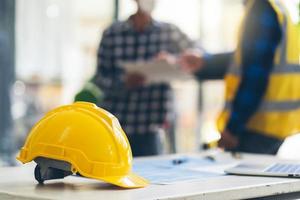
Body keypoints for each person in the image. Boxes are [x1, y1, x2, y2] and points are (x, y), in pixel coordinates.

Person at [180, 0, 300, 154]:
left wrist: (233, 128)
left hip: (255, 125)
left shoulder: (262, 8)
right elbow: (249, 59)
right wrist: (206, 62)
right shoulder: (279, 6)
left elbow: (255, 74)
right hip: (276, 123)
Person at [93, 0, 196, 156]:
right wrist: (123, 82)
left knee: (151, 176)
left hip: (151, 126)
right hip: (116, 125)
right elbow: (100, 78)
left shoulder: (169, 32)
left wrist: (173, 61)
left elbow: (197, 57)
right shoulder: (112, 33)